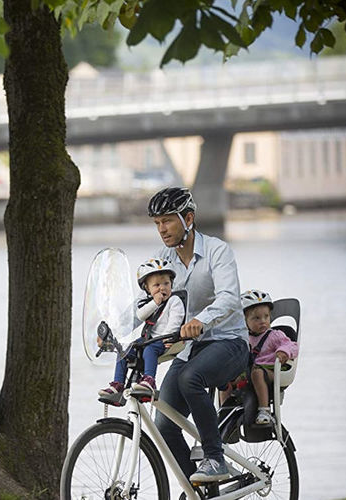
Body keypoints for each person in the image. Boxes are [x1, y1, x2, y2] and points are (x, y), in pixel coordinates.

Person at [146, 186, 250, 483]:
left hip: (229, 342)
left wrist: (200, 321)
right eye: (157, 223)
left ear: (188, 218)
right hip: (189, 349)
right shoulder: (162, 259)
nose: (162, 229)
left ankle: (215, 459)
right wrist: (118, 328)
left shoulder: (218, 250)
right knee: (164, 422)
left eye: (167, 221)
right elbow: (148, 300)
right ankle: (202, 491)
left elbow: (230, 298)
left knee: (190, 378)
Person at [97, 258, 185, 406]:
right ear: (147, 289)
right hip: (148, 339)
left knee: (149, 349)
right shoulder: (150, 303)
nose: (162, 288)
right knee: (124, 349)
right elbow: (140, 316)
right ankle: (118, 384)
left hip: (163, 339)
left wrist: (167, 337)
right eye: (156, 285)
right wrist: (155, 303)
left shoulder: (174, 301)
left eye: (166, 284)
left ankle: (149, 380)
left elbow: (176, 320)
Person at [239, 289, 299, 425]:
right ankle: (224, 409)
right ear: (244, 321)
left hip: (272, 372)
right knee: (228, 378)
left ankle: (264, 410)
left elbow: (293, 346)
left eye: (266, 317)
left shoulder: (274, 335)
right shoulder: (244, 338)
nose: (263, 321)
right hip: (251, 371)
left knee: (257, 374)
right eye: (256, 318)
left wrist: (283, 351)